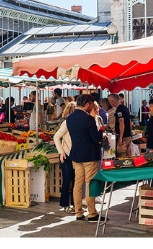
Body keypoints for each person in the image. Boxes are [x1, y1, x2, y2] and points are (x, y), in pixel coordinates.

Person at [65, 94, 104, 222]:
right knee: (89, 183)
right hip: (89, 155)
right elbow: (96, 138)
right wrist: (101, 130)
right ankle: (92, 213)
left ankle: (78, 212)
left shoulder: (69, 118)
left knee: (77, 184)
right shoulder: (89, 119)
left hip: (76, 155)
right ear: (87, 104)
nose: (91, 107)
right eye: (91, 105)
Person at [53, 101, 78, 214]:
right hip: (67, 156)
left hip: (75, 156)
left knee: (75, 181)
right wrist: (61, 152)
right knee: (67, 181)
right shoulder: (67, 123)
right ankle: (65, 204)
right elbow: (56, 137)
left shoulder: (76, 123)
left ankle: (74, 204)